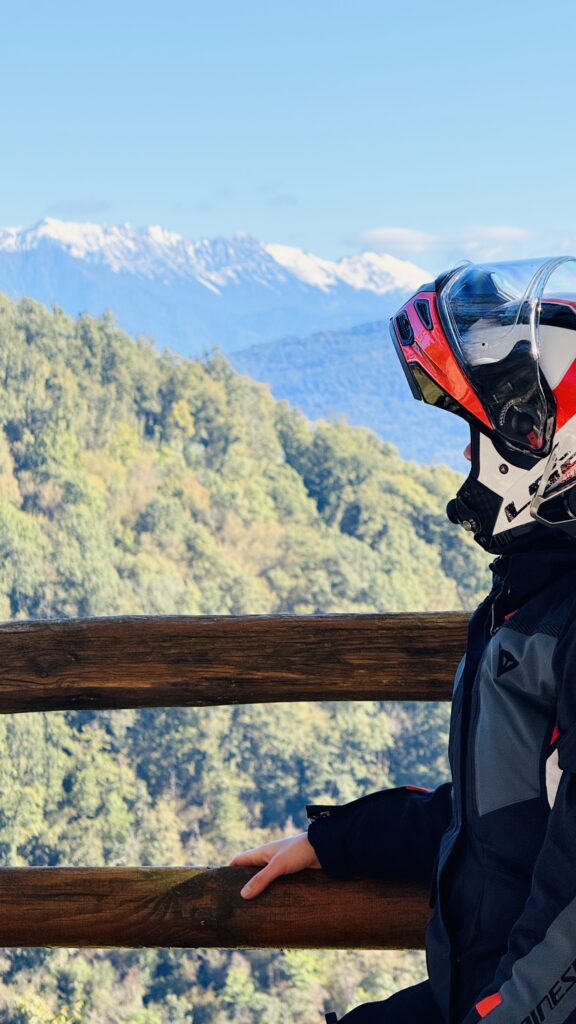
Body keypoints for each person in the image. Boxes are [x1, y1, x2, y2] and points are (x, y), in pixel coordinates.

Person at [229, 257, 576, 1023]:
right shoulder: (530, 599)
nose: (465, 458)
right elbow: (503, 815)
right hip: (483, 994)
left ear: (542, 447)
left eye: (478, 436)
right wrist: (340, 842)